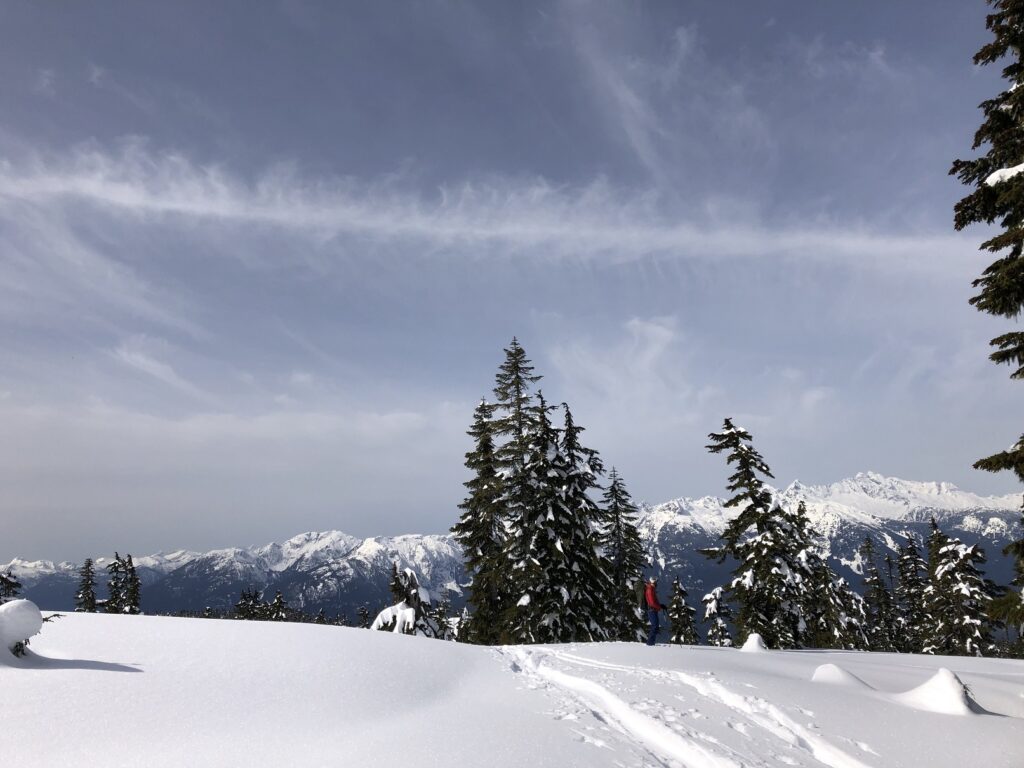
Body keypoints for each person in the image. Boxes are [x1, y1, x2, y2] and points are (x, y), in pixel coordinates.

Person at [644, 576, 664, 646]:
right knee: (655, 626)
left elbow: (653, 601)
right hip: (652, 610)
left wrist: (660, 605)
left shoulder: (651, 589)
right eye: (656, 582)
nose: (657, 583)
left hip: (653, 609)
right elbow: (652, 603)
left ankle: (651, 643)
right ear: (653, 582)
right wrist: (659, 607)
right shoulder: (650, 589)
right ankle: (650, 643)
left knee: (655, 625)